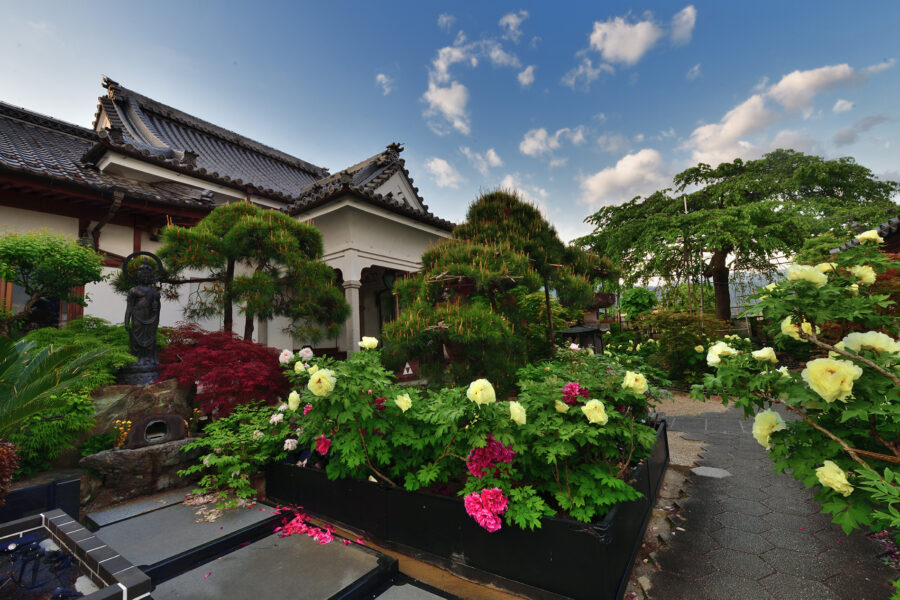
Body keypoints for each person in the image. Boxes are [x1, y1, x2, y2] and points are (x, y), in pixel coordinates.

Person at [124, 262, 161, 366]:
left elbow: (158, 306)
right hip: (137, 318)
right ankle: (136, 359)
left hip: (151, 318)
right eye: (143, 275)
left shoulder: (154, 291)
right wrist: (126, 321)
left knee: (151, 339)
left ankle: (150, 359)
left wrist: (156, 308)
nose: (145, 278)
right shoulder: (133, 290)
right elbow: (129, 306)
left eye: (147, 275)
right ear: (139, 276)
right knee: (136, 339)